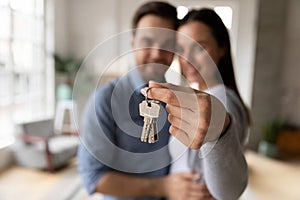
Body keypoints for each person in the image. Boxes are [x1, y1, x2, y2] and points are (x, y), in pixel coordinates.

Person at [77, 2, 206, 200]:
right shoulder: (104, 101)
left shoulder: (180, 99)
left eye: (167, 45)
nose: (156, 54)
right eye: (147, 42)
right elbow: (94, 177)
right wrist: (163, 187)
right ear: (132, 43)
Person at [142, 9, 250, 200]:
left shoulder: (223, 103)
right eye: (181, 50)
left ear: (222, 47)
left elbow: (228, 191)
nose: (187, 59)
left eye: (200, 48)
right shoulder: (197, 96)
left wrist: (219, 130)